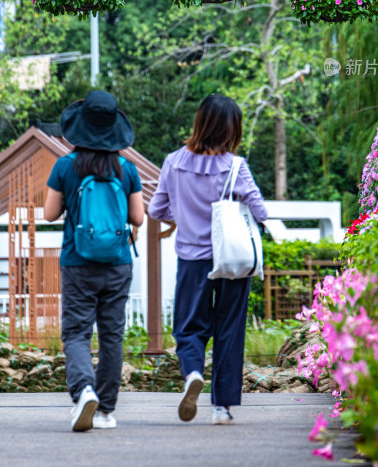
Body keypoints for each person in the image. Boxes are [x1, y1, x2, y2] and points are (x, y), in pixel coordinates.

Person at [148, 93, 268, 425]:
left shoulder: (174, 161)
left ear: (200, 123)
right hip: (232, 259)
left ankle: (192, 374)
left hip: (191, 260)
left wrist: (182, 216)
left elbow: (155, 209)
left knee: (189, 328)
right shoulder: (236, 167)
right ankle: (221, 407)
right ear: (232, 130)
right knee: (229, 329)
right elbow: (261, 211)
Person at [44, 90, 144, 432]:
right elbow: (138, 218)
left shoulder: (65, 166)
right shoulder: (127, 168)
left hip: (77, 261)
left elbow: (50, 213)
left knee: (76, 333)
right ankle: (105, 411)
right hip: (117, 263)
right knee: (112, 335)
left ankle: (84, 390)